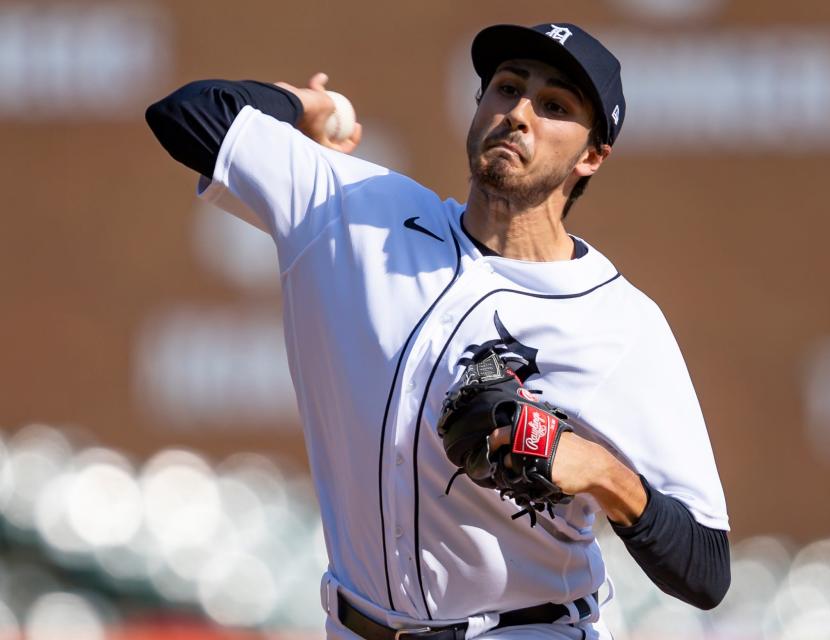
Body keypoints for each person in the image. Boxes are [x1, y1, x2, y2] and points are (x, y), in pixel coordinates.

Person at [146, 22, 730, 640]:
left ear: (591, 156)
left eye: (554, 106)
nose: (519, 114)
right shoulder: (356, 210)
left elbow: (705, 571)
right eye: (506, 89)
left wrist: (599, 472)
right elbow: (187, 114)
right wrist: (307, 108)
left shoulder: (617, 323)